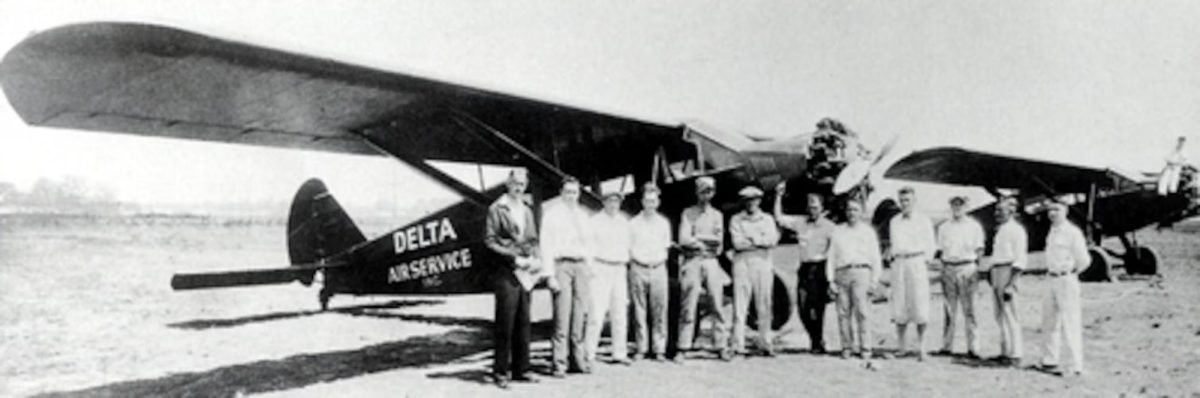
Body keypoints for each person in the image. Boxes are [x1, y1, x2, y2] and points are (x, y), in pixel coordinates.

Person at [483, 169, 540, 388]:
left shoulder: (526, 209)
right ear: (508, 183)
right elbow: (490, 241)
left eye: (523, 184)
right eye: (515, 183)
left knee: (524, 321)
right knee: (505, 323)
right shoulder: (497, 208)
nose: (519, 187)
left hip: (526, 271)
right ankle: (500, 372)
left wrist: (535, 260)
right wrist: (514, 258)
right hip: (506, 272)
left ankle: (522, 369)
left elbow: (533, 238)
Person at [540, 176, 594, 376]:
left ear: (579, 193)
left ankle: (578, 361)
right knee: (562, 316)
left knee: (580, 314)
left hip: (581, 266)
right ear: (561, 193)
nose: (571, 196)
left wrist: (589, 266)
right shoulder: (552, 215)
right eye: (568, 192)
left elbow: (590, 244)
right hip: (561, 265)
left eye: (574, 192)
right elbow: (546, 245)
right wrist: (549, 275)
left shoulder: (583, 216)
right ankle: (559, 363)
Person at [774, 182, 835, 354]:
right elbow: (779, 217)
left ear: (822, 208)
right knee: (803, 307)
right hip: (805, 267)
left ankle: (817, 341)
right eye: (810, 207)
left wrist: (832, 276)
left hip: (820, 268)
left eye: (815, 207)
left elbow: (835, 251)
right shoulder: (800, 222)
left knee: (818, 308)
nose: (812, 210)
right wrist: (778, 196)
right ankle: (815, 337)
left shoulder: (830, 227)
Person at [677, 176, 733, 361]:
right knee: (688, 304)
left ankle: (721, 345)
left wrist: (697, 238)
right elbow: (684, 239)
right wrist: (702, 240)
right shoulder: (687, 213)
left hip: (711, 261)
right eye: (702, 190)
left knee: (717, 303)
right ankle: (683, 346)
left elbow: (718, 244)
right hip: (692, 261)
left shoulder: (717, 215)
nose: (706, 194)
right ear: (696, 192)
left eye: (709, 191)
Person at [1037, 200, 1089, 377]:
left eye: (1056, 209)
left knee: (1070, 322)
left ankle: (1075, 365)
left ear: (1065, 211)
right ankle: (1049, 360)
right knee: (1049, 321)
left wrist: (1070, 272)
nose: (1052, 213)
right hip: (1050, 278)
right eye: (1050, 210)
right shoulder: (1052, 232)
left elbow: (1084, 260)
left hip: (1066, 279)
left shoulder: (1072, 232)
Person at [826, 199, 882, 359]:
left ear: (861, 212)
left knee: (862, 312)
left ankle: (866, 348)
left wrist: (874, 281)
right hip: (842, 273)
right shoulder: (838, 231)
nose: (852, 213)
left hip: (861, 273)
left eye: (855, 210)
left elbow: (875, 257)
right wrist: (831, 280)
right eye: (849, 210)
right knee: (843, 313)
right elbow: (832, 256)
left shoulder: (868, 232)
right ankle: (847, 347)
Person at [729, 186, 781, 357]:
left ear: (759, 200)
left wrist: (753, 240)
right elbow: (737, 243)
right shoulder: (736, 220)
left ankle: (765, 343)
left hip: (763, 263)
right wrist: (760, 241)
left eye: (754, 199)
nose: (750, 203)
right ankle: (738, 344)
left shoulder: (767, 219)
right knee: (740, 305)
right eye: (747, 200)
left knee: (764, 304)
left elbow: (772, 240)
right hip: (742, 263)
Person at [887, 186, 936, 361]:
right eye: (902, 200)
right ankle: (901, 346)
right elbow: (894, 244)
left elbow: (931, 244)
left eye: (907, 200)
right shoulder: (894, 221)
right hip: (899, 262)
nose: (904, 204)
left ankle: (922, 347)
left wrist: (924, 262)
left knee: (919, 303)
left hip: (917, 262)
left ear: (914, 201)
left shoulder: (923, 220)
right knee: (900, 303)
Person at [585, 189, 632, 365]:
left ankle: (619, 353)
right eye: (610, 201)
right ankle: (589, 353)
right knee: (596, 313)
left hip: (619, 268)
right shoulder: (595, 222)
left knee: (620, 312)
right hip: (601, 267)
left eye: (617, 201)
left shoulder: (624, 222)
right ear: (603, 202)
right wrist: (592, 269)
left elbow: (629, 246)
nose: (613, 205)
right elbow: (589, 247)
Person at [935, 196, 985, 359]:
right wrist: (944, 267)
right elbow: (941, 250)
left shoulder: (974, 226)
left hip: (967, 266)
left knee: (970, 309)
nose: (957, 208)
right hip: (949, 267)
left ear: (967, 206)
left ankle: (974, 347)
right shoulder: (944, 227)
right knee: (949, 309)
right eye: (954, 205)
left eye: (961, 205)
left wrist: (975, 268)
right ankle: (946, 345)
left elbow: (979, 250)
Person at [628, 183, 673, 361]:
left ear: (658, 202)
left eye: (653, 201)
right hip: (638, 267)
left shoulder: (663, 223)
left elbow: (666, 247)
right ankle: (641, 347)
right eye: (647, 200)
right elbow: (629, 247)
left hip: (658, 268)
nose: (650, 204)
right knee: (639, 310)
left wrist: (657, 262)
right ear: (642, 201)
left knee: (659, 309)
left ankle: (659, 348)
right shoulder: (633, 223)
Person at [987, 196, 1027, 367]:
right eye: (996, 210)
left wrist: (1011, 284)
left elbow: (1020, 259)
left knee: (1011, 314)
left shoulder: (1016, 230)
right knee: (999, 314)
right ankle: (1005, 351)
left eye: (1001, 210)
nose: (997, 214)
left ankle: (1016, 354)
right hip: (997, 271)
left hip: (1009, 271)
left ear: (1011, 211)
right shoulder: (1001, 230)